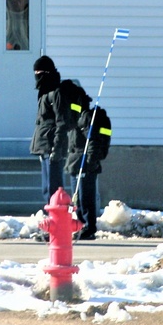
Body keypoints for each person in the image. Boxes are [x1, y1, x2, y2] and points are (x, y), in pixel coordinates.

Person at [64, 83, 111, 241]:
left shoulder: (86, 118)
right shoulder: (75, 117)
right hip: (75, 163)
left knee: (86, 197)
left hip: (84, 164)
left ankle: (88, 227)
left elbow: (92, 141)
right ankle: (80, 225)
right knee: (77, 198)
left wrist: (89, 162)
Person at [30, 56, 70, 205]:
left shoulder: (56, 93)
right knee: (46, 188)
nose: (37, 76)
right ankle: (50, 218)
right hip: (44, 147)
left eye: (39, 72)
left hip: (52, 147)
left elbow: (61, 123)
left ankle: (57, 221)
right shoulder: (44, 94)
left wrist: (56, 147)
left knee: (54, 188)